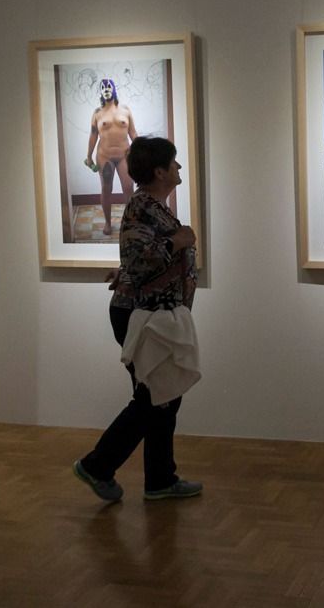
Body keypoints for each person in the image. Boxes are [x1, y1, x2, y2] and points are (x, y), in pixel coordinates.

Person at [74, 136, 203, 503]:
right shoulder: (141, 207)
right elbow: (142, 257)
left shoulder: (152, 207)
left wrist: (128, 271)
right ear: (160, 171)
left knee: (163, 396)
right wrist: (179, 241)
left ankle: (160, 479)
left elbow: (136, 260)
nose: (179, 168)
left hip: (154, 313)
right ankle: (98, 466)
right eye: (174, 163)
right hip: (143, 316)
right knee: (152, 398)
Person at [84, 78, 136, 235]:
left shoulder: (125, 110)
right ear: (101, 92)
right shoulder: (97, 113)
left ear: (113, 89)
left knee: (128, 188)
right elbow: (93, 135)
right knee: (106, 189)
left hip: (124, 156)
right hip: (104, 156)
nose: (106, 90)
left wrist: (143, 150)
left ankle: (130, 222)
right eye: (103, 88)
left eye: (108, 87)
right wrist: (88, 156)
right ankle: (107, 223)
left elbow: (133, 132)